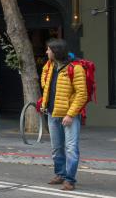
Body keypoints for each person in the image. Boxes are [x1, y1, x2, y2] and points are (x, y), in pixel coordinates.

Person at [40, 39, 87, 191]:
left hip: (69, 116)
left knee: (71, 148)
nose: (46, 52)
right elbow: (45, 85)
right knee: (56, 148)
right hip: (52, 113)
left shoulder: (76, 68)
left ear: (56, 52)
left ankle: (70, 180)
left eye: (48, 50)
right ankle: (60, 174)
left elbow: (82, 94)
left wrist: (71, 114)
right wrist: (44, 104)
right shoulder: (50, 66)